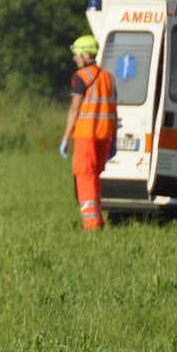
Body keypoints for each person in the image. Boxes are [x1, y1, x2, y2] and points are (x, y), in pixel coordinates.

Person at [58, 34, 118, 231]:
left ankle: (91, 223)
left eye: (76, 54)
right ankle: (97, 218)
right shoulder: (108, 78)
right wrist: (114, 140)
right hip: (104, 136)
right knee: (94, 177)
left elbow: (74, 109)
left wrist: (66, 137)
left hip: (86, 135)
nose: (75, 59)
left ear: (84, 55)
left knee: (85, 176)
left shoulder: (81, 77)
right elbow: (114, 110)